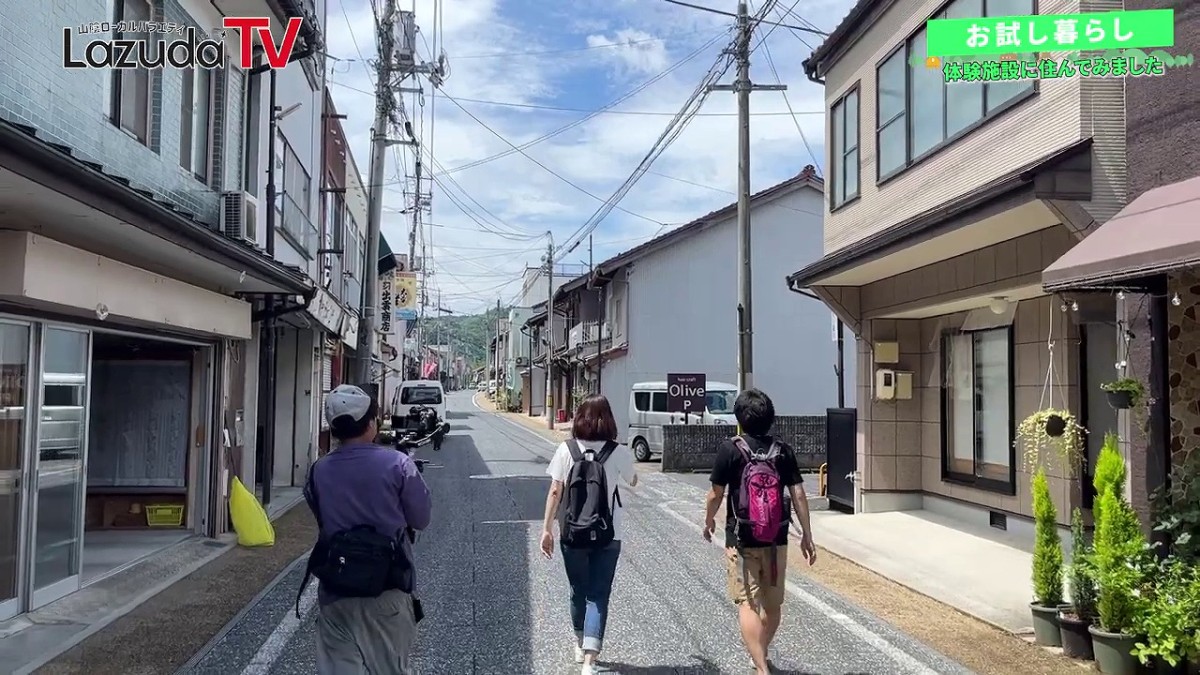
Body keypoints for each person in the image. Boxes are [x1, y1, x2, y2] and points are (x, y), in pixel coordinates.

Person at [303, 384, 432, 675]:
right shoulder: (398, 464)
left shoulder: (318, 470)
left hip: (335, 589)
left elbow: (321, 517)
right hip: (387, 589)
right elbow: (421, 518)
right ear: (371, 423)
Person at [703, 388, 816, 675]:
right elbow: (799, 494)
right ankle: (760, 655)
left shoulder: (731, 449)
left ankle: (761, 666)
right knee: (773, 604)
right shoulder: (783, 450)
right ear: (771, 417)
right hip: (776, 537)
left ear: (739, 418)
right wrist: (807, 534)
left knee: (748, 603)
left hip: (741, 538)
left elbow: (715, 494)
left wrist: (708, 521)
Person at [539, 395, 639, 675]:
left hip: (572, 533)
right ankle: (590, 661)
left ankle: (580, 640)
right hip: (609, 534)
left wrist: (546, 528)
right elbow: (633, 480)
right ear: (608, 420)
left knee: (577, 591)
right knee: (598, 593)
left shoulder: (566, 450)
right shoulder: (617, 451)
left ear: (579, 418)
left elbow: (555, 490)